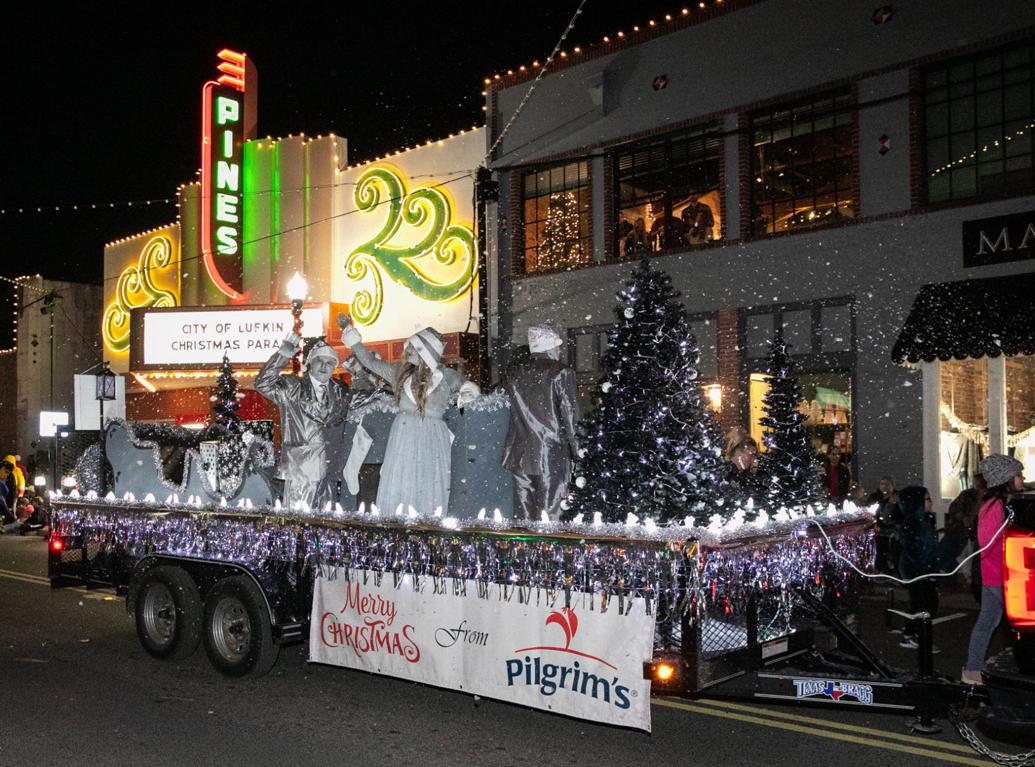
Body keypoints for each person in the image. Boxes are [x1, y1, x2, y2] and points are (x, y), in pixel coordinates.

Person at [339, 313, 479, 515]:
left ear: (426, 351)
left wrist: (468, 392)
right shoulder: (400, 373)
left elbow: (467, 386)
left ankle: (427, 525)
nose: (407, 349)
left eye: (413, 346)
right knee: (401, 477)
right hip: (404, 436)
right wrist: (349, 333)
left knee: (429, 480)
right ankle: (399, 523)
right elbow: (369, 361)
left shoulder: (446, 376)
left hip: (432, 437)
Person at [256, 334, 352, 509]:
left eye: (330, 362)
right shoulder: (292, 386)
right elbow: (263, 384)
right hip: (300, 470)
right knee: (298, 523)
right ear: (310, 363)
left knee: (325, 527)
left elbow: (367, 399)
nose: (324, 366)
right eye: (320, 361)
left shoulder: (342, 392)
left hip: (328, 472)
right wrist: (282, 355)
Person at [502, 323, 580, 520]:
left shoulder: (513, 373)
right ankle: (547, 550)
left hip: (519, 454)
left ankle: (523, 551)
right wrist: (580, 453)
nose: (560, 350)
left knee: (523, 518)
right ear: (551, 345)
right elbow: (572, 418)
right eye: (558, 345)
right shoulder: (561, 372)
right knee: (550, 516)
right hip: (551, 454)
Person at [962, 454, 1024, 685]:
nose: (1022, 478)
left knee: (988, 621)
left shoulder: (1002, 504)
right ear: (1006, 478)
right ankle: (974, 669)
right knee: (1006, 622)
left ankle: (972, 670)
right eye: (1018, 474)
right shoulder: (994, 506)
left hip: (999, 575)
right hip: (999, 576)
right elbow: (987, 541)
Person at [897, 485, 939, 650]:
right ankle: (918, 637)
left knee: (921, 603)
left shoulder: (923, 520)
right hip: (917, 571)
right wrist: (929, 570)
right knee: (926, 604)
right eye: (927, 499)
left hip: (922, 570)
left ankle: (911, 634)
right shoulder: (913, 522)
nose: (931, 502)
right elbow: (915, 550)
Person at [938, 473, 987, 577]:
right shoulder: (967, 495)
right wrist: (962, 517)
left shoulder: (990, 499)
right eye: (976, 482)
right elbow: (954, 509)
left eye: (980, 482)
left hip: (979, 536)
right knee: (946, 553)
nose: (977, 485)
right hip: (959, 533)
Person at [866, 476, 900, 574]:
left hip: (892, 528)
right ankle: (880, 568)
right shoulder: (874, 497)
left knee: (893, 549)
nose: (884, 486)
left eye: (887, 484)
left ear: (892, 486)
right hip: (877, 527)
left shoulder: (897, 498)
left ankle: (892, 570)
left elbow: (899, 515)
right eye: (882, 484)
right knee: (879, 549)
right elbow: (869, 511)